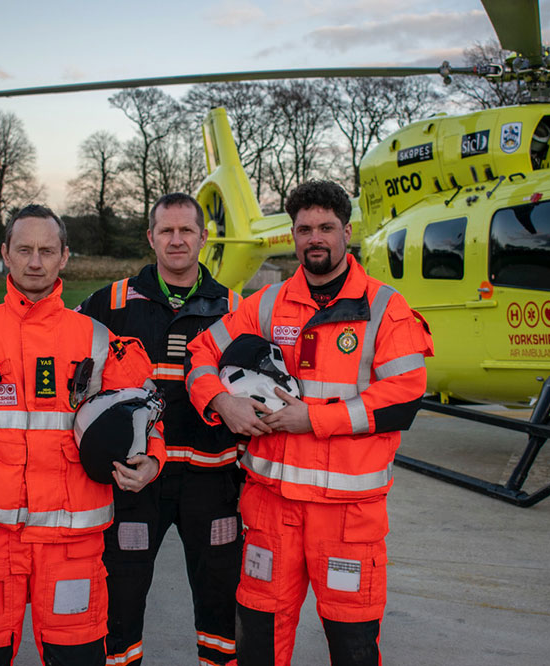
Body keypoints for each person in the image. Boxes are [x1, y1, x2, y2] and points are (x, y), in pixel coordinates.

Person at [186, 181, 434, 666]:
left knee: (353, 646)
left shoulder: (385, 309)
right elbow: (202, 353)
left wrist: (315, 419)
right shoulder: (266, 303)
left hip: (347, 519)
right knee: (257, 640)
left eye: (325, 227)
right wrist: (220, 401)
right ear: (293, 235)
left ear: (346, 231)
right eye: (304, 229)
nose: (314, 238)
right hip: (270, 512)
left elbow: (405, 397)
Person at [0, 205, 165, 665]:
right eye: (24, 250)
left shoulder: (95, 338)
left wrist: (151, 459)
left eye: (47, 250)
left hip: (73, 546)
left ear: (64, 257)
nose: (35, 261)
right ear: (6, 255)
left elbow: (146, 413)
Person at [80, 192, 242, 666]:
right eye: (166, 231)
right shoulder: (108, 303)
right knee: (121, 598)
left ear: (203, 238)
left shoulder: (235, 308)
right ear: (150, 237)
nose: (177, 240)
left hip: (212, 483)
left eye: (186, 230)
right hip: (133, 483)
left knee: (219, 599)